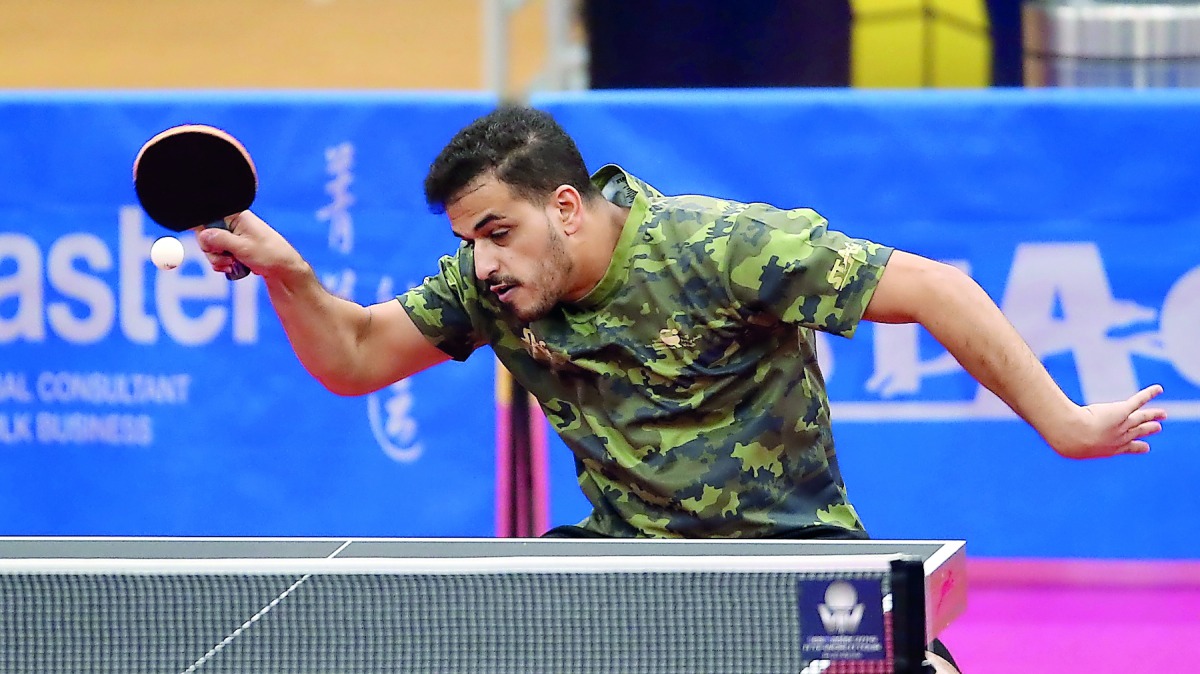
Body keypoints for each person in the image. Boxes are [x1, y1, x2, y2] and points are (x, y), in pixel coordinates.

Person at [196, 105, 1166, 674]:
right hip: (626, 582)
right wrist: (290, 275)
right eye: (465, 240)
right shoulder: (488, 288)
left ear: (565, 207)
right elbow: (356, 355)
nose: (480, 260)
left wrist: (1067, 421)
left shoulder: (717, 245)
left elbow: (939, 287)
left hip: (794, 576)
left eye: (496, 230)